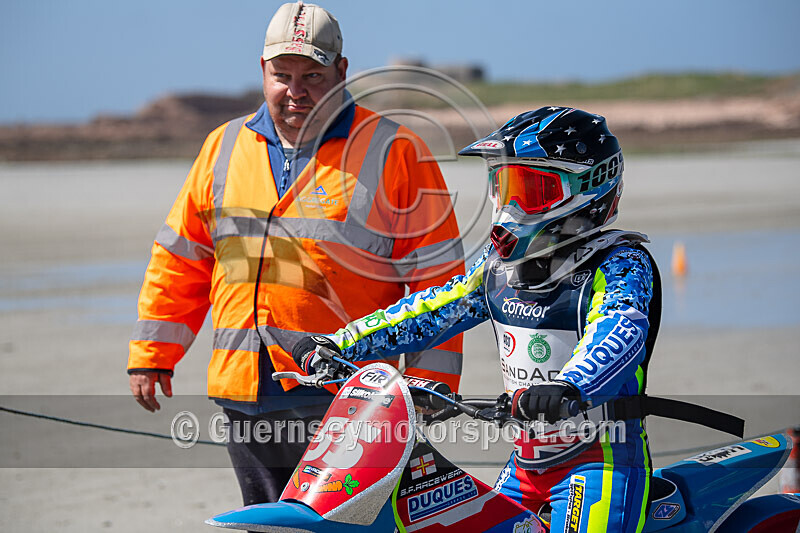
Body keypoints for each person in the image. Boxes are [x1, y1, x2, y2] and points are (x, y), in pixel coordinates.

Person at [128, 1, 464, 506]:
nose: (296, 89)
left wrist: (428, 387)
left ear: (342, 71)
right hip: (246, 395)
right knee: (266, 521)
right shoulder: (222, 147)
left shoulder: (396, 151)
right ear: (262, 71)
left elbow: (438, 281)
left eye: (312, 73)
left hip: (349, 397)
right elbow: (181, 260)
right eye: (282, 74)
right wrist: (153, 355)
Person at [294, 106, 661, 532]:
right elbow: (433, 309)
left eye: (533, 189)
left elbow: (619, 332)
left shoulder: (620, 263)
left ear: (588, 189)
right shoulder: (499, 269)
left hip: (602, 465)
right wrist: (341, 342)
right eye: (505, 186)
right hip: (525, 466)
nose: (512, 205)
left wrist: (568, 386)